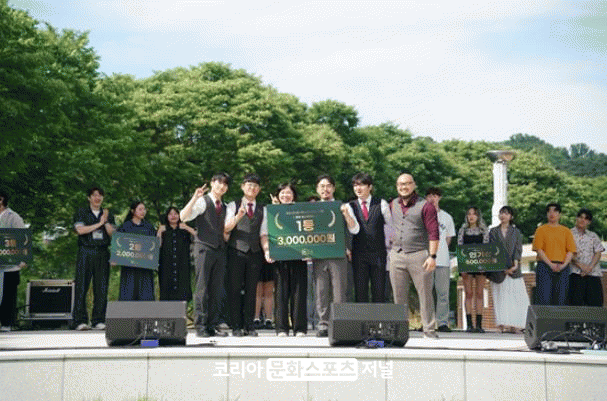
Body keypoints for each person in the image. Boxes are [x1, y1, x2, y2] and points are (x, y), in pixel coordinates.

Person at [389, 173, 439, 339]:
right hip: (397, 255)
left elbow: (434, 232)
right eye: (400, 184)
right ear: (397, 186)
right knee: (398, 296)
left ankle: (429, 330)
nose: (403, 187)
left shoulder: (426, 206)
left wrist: (432, 256)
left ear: (414, 185)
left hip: (419, 255)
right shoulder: (392, 204)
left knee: (425, 294)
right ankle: (400, 331)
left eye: (407, 184)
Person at [180, 173, 230, 337]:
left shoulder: (225, 206)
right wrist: (195, 197)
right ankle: (200, 325)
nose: (221, 186)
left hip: (220, 249)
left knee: (217, 288)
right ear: (212, 183)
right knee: (202, 286)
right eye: (218, 182)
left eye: (225, 184)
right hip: (204, 247)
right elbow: (183, 217)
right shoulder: (203, 201)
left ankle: (212, 324)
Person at [312, 174, 359, 337]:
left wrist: (346, 214)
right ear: (317, 189)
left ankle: (340, 323)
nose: (325, 189)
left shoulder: (343, 206)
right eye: (322, 186)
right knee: (321, 291)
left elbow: (354, 229)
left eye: (328, 186)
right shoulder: (312, 208)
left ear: (333, 188)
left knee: (340, 291)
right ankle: (323, 324)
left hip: (338, 254)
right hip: (319, 255)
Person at [261, 183, 308, 337]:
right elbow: (264, 233)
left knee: (299, 292)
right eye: (282, 193)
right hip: (280, 256)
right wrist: (267, 250)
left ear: (294, 196)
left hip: (299, 256)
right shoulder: (271, 211)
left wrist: (311, 250)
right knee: (280, 292)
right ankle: (281, 328)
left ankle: (299, 328)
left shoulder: (302, 210)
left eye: (288, 193)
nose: (285, 195)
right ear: (278, 195)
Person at [224, 173, 265, 337]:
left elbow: (264, 232)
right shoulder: (232, 205)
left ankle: (249, 325)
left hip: (255, 252)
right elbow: (226, 228)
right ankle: (235, 325)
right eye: (249, 185)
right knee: (234, 288)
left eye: (255, 186)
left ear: (259, 189)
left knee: (251, 289)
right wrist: (238, 216)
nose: (252, 188)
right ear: (242, 187)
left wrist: (266, 251)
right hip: (236, 251)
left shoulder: (263, 208)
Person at [72, 187, 115, 331]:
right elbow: (80, 230)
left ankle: (99, 320)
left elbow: (112, 234)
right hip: (86, 251)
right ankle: (79, 320)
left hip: (102, 252)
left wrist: (106, 221)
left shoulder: (107, 214)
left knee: (101, 287)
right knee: (81, 286)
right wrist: (99, 223)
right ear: (89, 198)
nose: (97, 198)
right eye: (95, 195)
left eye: (100, 195)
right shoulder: (82, 212)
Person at [349, 173, 391, 303]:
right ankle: (362, 316)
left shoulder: (381, 203)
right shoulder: (350, 206)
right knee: (360, 292)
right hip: (358, 255)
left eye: (361, 185)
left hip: (379, 254)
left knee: (379, 291)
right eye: (355, 185)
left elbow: (390, 227)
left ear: (370, 187)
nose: (358, 188)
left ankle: (380, 316)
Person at [489, 206, 529, 333]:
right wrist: (502, 268)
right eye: (501, 213)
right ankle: (502, 324)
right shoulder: (493, 232)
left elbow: (518, 249)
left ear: (511, 216)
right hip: (498, 270)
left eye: (506, 213)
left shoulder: (516, 232)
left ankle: (515, 325)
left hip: (514, 269)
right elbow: (492, 250)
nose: (503, 215)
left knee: (516, 297)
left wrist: (515, 265)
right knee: (500, 297)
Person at [532, 203, 576, 306]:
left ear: (559, 214)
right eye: (549, 211)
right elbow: (539, 249)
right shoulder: (541, 229)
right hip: (544, 266)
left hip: (562, 267)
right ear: (546, 214)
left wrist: (563, 265)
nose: (552, 213)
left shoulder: (566, 231)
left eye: (555, 211)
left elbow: (571, 251)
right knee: (544, 299)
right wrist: (551, 264)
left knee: (561, 299)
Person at [425, 187, 456, 332]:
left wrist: (440, 250)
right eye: (429, 196)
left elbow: (448, 239)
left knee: (443, 293)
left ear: (439, 198)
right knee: (426, 293)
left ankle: (442, 322)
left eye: (435, 196)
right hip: (425, 259)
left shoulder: (447, 217)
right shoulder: (422, 215)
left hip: (442, 260)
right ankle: (427, 322)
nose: (432, 198)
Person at [457, 206, 490, 333]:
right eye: (469, 214)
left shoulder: (484, 230)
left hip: (481, 264)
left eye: (474, 214)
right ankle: (470, 324)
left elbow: (487, 248)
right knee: (469, 293)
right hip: (467, 264)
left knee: (480, 293)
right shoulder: (462, 230)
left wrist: (484, 265)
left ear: (478, 216)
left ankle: (479, 325)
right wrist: (462, 267)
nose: (471, 216)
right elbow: (460, 248)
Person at [117, 201, 157, 301]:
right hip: (129, 267)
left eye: (144, 209)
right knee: (128, 293)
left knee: (146, 295)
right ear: (133, 211)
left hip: (145, 267)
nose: (143, 211)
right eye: (140, 209)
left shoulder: (149, 227)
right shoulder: (125, 226)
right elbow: (119, 245)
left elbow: (153, 246)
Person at [157, 207, 197, 301]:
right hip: (166, 266)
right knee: (166, 293)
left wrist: (187, 227)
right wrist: (159, 232)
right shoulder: (164, 230)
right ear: (167, 216)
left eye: (175, 213)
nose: (173, 216)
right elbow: (156, 246)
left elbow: (199, 237)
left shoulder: (184, 230)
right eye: (170, 214)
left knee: (182, 292)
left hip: (182, 265)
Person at [0, 189, 26, 332]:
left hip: (10, 262)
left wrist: (22, 258)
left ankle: (6, 323)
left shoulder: (13, 217)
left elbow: (22, 238)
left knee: (8, 293)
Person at [569, 208, 604, 307]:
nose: (583, 220)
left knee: (596, 305)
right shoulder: (568, 234)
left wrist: (590, 267)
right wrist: (581, 265)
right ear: (576, 218)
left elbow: (598, 252)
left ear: (589, 222)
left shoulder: (593, 235)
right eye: (581, 217)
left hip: (593, 273)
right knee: (576, 305)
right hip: (576, 273)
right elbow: (567, 252)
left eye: (586, 218)